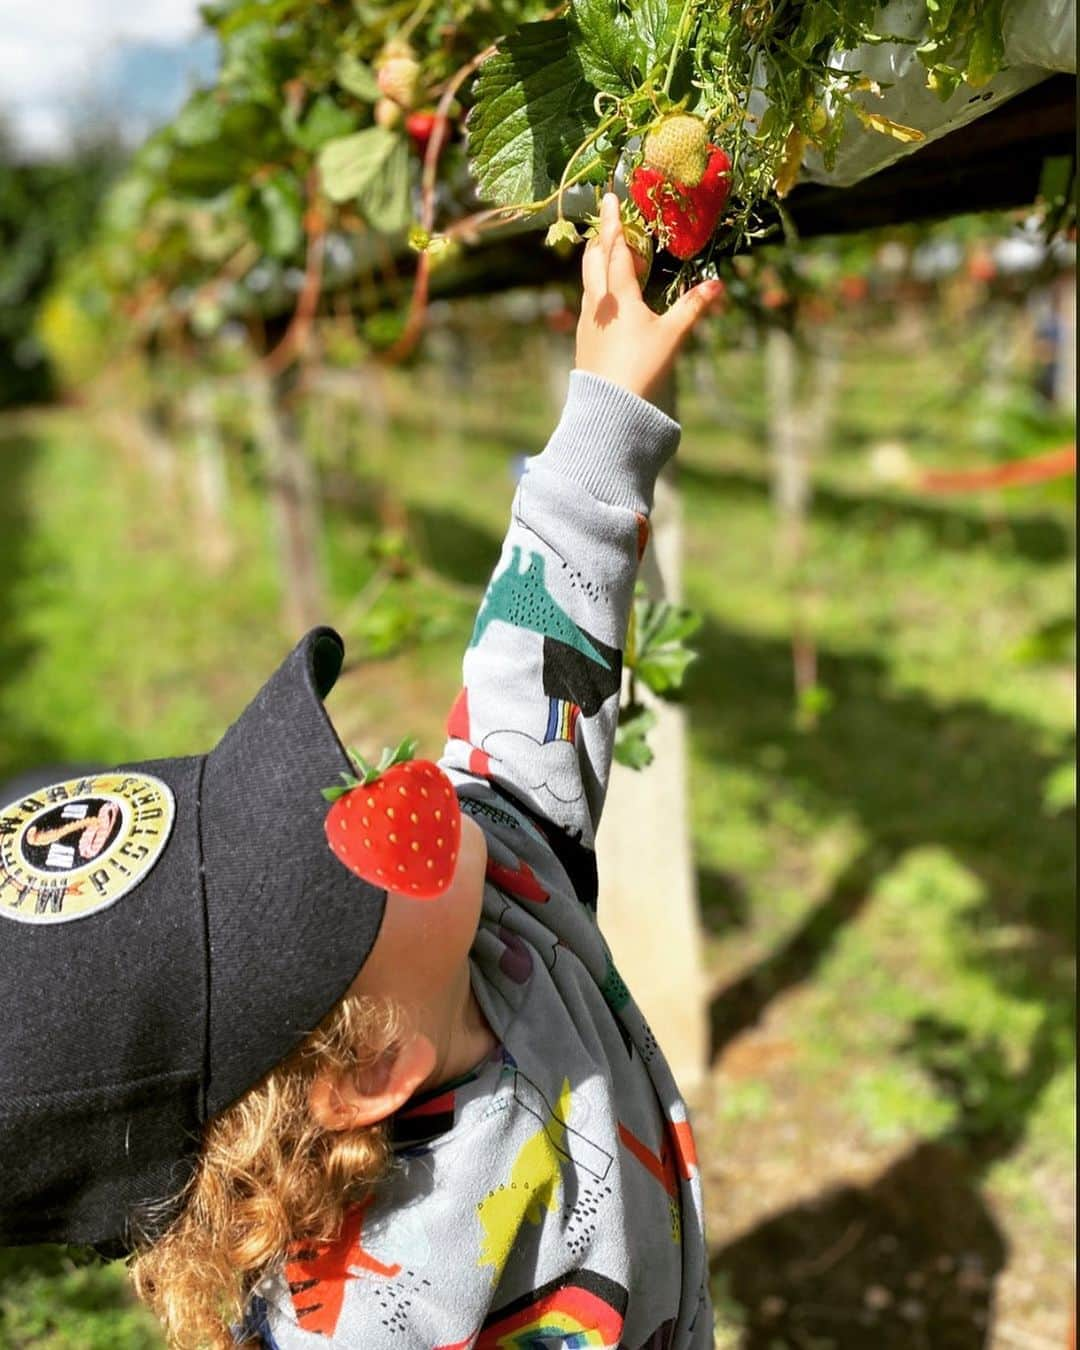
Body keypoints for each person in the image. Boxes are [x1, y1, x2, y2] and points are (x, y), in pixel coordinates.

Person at [0, 193, 724, 1348]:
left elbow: (527, 685)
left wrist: (606, 410)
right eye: (334, 871)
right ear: (374, 1063)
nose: (363, 796)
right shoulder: (386, 1315)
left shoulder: (486, 908)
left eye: (296, 803)